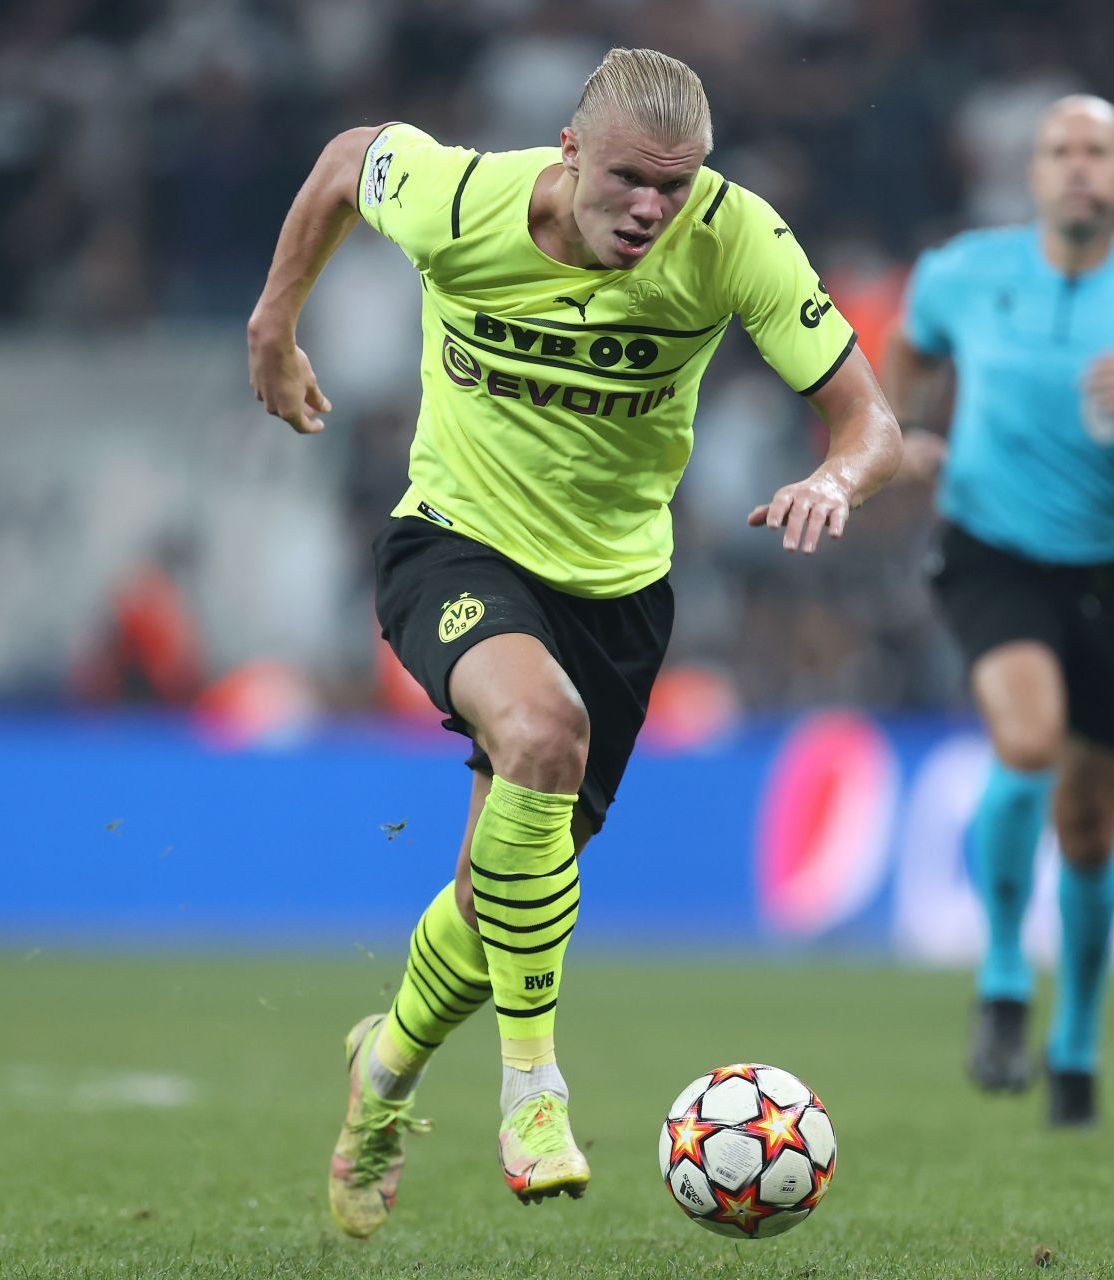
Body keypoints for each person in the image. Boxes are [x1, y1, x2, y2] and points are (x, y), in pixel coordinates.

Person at [246, 48, 900, 1237]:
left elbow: (870, 418)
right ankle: (532, 1084)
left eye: (678, 185)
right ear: (567, 151)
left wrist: (836, 479)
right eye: (629, 182)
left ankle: (381, 1074)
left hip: (615, 595)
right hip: (454, 543)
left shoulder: (736, 236)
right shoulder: (461, 200)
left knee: (490, 894)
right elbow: (347, 164)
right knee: (542, 729)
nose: (653, 209)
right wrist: (273, 321)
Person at [884, 96, 1114, 1127]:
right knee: (1027, 734)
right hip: (990, 551)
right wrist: (902, 429)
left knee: (1091, 827)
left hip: (1113, 573)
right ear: (1033, 174)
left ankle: (1077, 1041)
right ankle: (1004, 971)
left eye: (1099, 151)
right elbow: (908, 350)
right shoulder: (965, 272)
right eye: (1059, 150)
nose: (1078, 167)